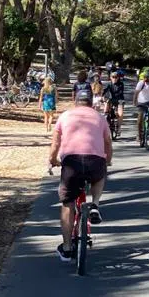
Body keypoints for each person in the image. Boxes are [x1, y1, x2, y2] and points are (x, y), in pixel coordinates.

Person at [48, 77, 113, 262]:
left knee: (67, 204)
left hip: (71, 163)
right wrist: (107, 160)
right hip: (95, 161)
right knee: (100, 176)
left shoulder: (65, 116)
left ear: (75, 100)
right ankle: (95, 204)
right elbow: (108, 143)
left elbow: (55, 143)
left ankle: (67, 249)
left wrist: (52, 160)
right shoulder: (100, 118)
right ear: (91, 102)